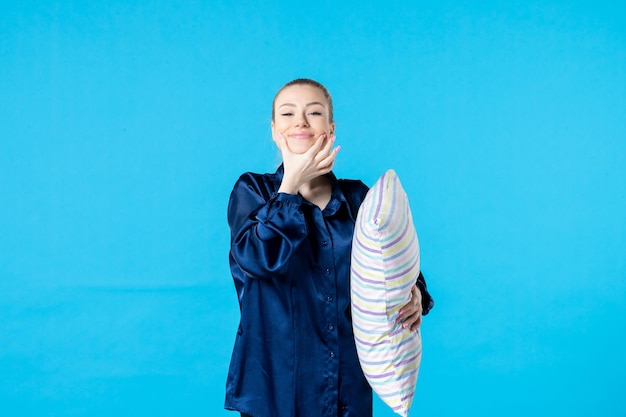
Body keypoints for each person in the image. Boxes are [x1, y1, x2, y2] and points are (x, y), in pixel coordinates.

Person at [225, 78, 433, 417]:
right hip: (276, 387)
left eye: (314, 112)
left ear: (331, 127)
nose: (301, 122)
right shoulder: (253, 191)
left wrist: (416, 294)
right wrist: (290, 185)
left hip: (345, 385)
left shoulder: (358, 199)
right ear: (276, 130)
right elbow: (258, 259)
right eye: (288, 113)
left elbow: (394, 264)